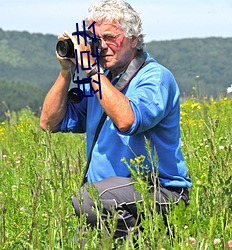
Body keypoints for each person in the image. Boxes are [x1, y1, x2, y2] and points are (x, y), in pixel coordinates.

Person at [40, 0, 192, 244]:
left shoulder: (154, 77)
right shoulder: (101, 82)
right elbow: (49, 123)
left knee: (88, 199)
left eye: (110, 37)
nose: (101, 46)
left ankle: (146, 241)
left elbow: (127, 120)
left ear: (133, 39)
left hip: (159, 191)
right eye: (96, 39)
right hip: (110, 199)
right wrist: (66, 71)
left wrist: (91, 70)